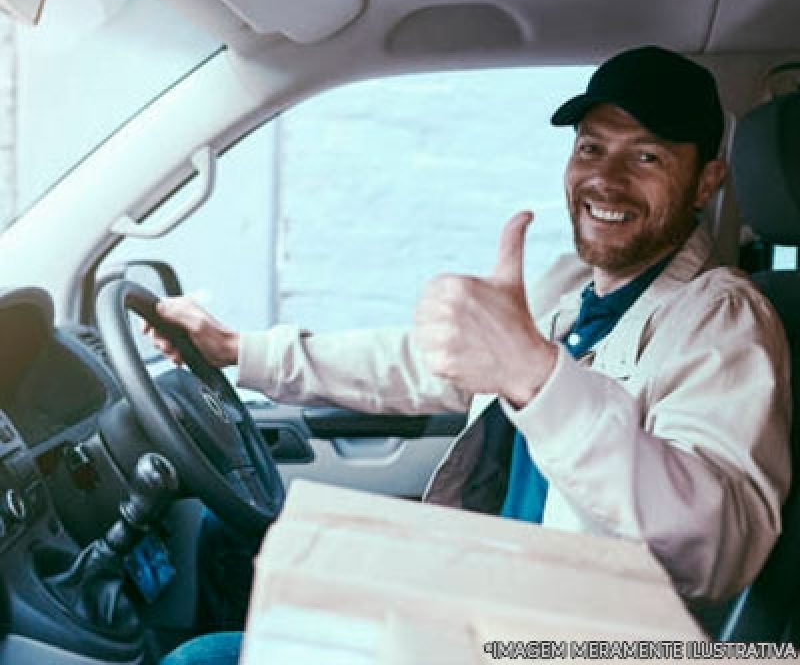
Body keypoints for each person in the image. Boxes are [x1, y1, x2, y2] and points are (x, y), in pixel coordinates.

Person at [155, 46, 791, 664]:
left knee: (200, 658)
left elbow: (714, 546)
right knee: (234, 557)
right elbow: (422, 361)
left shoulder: (725, 320)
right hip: (492, 600)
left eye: (646, 155)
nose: (606, 177)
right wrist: (242, 350)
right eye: (591, 147)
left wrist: (536, 376)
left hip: (571, 640)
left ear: (707, 179)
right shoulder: (568, 285)